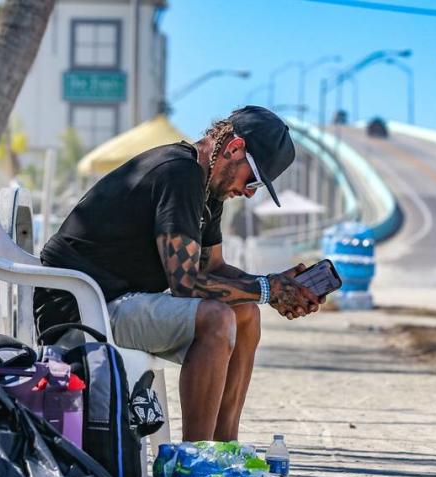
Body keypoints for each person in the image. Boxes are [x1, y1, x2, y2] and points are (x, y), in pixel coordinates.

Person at [35, 106, 322, 443]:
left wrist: (277, 287)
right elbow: (186, 285)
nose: (249, 192)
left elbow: (212, 269)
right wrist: (266, 289)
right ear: (234, 148)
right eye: (254, 180)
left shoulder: (207, 187)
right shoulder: (179, 173)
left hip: (113, 303)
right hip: (79, 309)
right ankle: (195, 466)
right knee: (216, 319)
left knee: (245, 314)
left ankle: (226, 455)